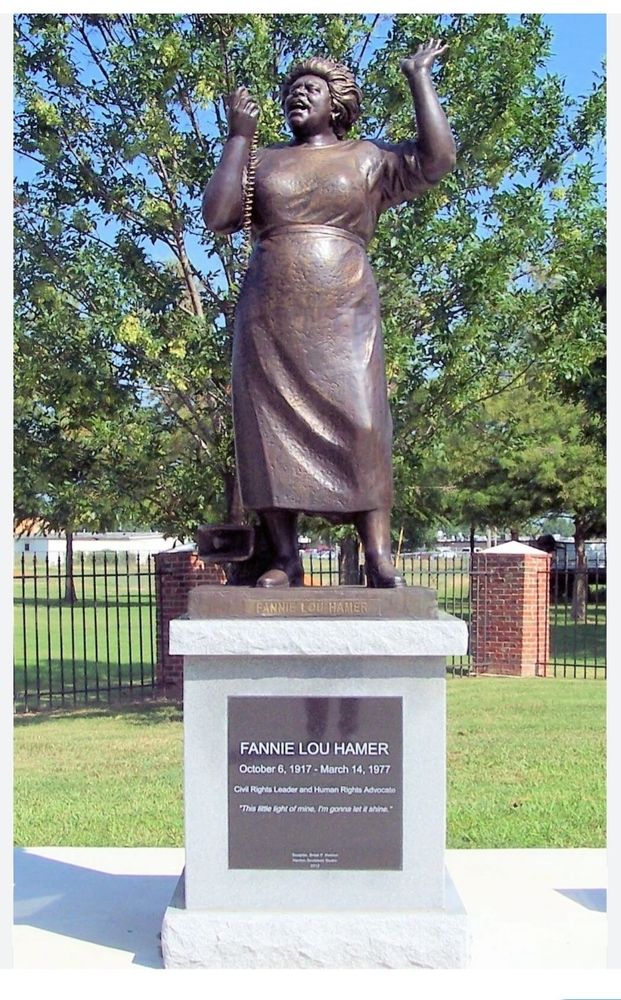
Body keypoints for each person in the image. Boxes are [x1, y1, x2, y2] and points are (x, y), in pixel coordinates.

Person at [202, 40, 456, 588]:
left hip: (343, 310)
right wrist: (239, 137)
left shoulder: (366, 158)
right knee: (269, 431)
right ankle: (285, 558)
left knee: (363, 424)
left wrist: (419, 80)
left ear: (337, 104)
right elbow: (220, 216)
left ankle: (377, 555)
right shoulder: (264, 160)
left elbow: (437, 161)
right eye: (291, 90)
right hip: (270, 315)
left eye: (310, 90)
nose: (297, 96)